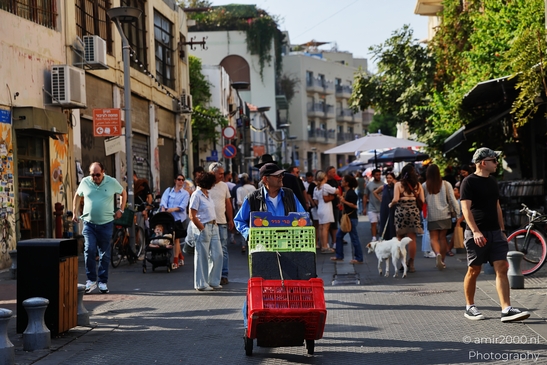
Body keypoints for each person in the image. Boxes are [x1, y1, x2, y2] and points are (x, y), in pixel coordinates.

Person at [460, 147, 530, 322]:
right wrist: (475, 231)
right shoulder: (468, 182)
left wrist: (502, 230)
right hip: (476, 233)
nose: (497, 163)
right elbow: (465, 209)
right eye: (494, 160)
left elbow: (497, 206)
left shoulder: (492, 181)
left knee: (502, 268)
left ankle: (506, 309)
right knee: (474, 269)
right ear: (483, 163)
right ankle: (470, 307)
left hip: (495, 233)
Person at [234, 162, 306, 329]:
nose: (282, 178)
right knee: (259, 284)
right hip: (262, 248)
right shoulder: (253, 198)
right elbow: (239, 221)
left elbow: (302, 216)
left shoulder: (289, 195)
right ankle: (250, 325)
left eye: (282, 175)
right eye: (278, 176)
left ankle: (289, 319)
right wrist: (249, 233)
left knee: (289, 284)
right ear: (266, 179)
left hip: (289, 247)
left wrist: (300, 225)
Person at [72, 162, 126, 294]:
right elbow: (77, 195)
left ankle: (102, 281)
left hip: (106, 224)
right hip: (89, 224)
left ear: (103, 172)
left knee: (104, 254)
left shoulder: (111, 182)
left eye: (98, 175)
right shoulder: (85, 182)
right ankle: (91, 280)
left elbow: (123, 192)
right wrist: (74, 212)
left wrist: (121, 209)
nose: (95, 177)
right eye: (92, 175)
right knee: (89, 250)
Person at [187, 172, 223, 291]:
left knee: (218, 254)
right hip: (203, 227)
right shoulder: (196, 195)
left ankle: (213, 281)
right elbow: (192, 215)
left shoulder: (207, 194)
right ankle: (201, 283)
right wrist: (202, 228)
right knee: (202, 255)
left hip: (214, 226)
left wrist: (215, 224)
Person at [422, 164, 460, 271]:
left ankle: (437, 254)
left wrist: (423, 214)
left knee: (433, 238)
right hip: (445, 215)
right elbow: (452, 200)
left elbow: (422, 202)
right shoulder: (446, 184)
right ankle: (442, 261)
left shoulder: (424, 185)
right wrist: (457, 212)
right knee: (442, 238)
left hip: (432, 215)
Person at [389, 163, 424, 273]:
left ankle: (402, 262)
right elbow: (422, 200)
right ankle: (411, 262)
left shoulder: (398, 184)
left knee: (400, 238)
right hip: (413, 211)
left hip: (401, 212)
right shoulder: (418, 185)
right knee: (412, 238)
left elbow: (395, 199)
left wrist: (390, 204)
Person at [208, 162, 234, 286]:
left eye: (223, 174)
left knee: (222, 249)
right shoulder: (205, 185)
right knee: (209, 250)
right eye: (220, 174)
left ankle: (224, 274)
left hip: (222, 222)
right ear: (213, 173)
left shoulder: (224, 186)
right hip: (208, 223)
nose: (222, 176)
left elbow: (228, 203)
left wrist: (230, 219)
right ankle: (211, 274)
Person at [330, 174, 363, 264]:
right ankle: (339, 255)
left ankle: (359, 257)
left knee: (354, 238)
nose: (341, 182)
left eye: (343, 181)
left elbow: (354, 206)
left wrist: (344, 201)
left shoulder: (351, 193)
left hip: (351, 218)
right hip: (348, 218)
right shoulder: (347, 192)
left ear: (347, 183)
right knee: (339, 236)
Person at [160, 174, 190, 269]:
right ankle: (181, 257)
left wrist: (172, 209)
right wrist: (164, 208)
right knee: (174, 239)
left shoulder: (185, 193)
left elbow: (182, 206)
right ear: (175, 180)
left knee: (176, 239)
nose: (181, 181)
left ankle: (175, 261)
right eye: (179, 179)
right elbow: (163, 200)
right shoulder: (168, 191)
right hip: (168, 218)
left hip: (179, 219)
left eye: (182, 180)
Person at [313, 170, 337, 254]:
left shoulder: (316, 188)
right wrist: (332, 196)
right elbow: (335, 191)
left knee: (321, 227)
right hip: (326, 208)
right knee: (326, 228)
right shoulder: (325, 186)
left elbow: (315, 200)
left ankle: (322, 244)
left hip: (320, 208)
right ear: (324, 177)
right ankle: (325, 246)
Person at [236, 173, 256, 253]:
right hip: (253, 211)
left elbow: (239, 201)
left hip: (243, 210)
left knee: (243, 225)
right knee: (252, 227)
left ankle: (243, 245)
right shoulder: (253, 187)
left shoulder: (239, 189)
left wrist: (243, 209)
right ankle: (253, 243)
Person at [374, 172, 397, 240]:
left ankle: (393, 238)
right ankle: (385, 238)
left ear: (393, 179)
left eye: (390, 178)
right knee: (384, 223)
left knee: (392, 224)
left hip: (393, 208)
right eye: (387, 178)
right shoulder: (384, 187)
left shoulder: (396, 187)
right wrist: (380, 199)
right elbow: (375, 192)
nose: (388, 179)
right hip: (385, 208)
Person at [363, 168, 384, 241]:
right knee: (373, 223)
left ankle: (381, 237)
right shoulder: (369, 185)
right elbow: (365, 196)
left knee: (381, 224)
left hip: (382, 208)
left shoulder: (383, 184)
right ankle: (374, 238)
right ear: (373, 176)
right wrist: (364, 208)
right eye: (377, 175)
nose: (378, 176)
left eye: (379, 175)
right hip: (372, 207)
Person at [325, 166, 341, 246]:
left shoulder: (335, 181)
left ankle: (335, 242)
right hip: (327, 206)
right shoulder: (325, 182)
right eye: (333, 172)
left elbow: (338, 192)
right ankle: (328, 242)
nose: (335, 174)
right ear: (329, 173)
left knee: (334, 225)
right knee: (327, 225)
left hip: (335, 205)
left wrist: (338, 202)